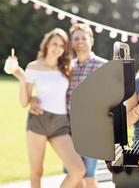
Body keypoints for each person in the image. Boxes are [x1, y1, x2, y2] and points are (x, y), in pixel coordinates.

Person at [30, 23, 108, 188]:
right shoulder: (67, 67)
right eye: (76, 38)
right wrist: (33, 98)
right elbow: (51, 87)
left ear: (91, 41)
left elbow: (111, 99)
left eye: (83, 38)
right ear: (72, 43)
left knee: (89, 176)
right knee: (75, 176)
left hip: (91, 132)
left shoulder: (102, 66)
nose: (80, 41)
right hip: (67, 130)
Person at [11, 28, 86, 188]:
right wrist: (23, 80)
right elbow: (25, 102)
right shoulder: (33, 67)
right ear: (46, 45)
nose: (57, 48)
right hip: (38, 121)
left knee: (78, 170)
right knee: (36, 172)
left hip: (60, 123)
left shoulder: (66, 68)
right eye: (54, 43)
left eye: (61, 45)